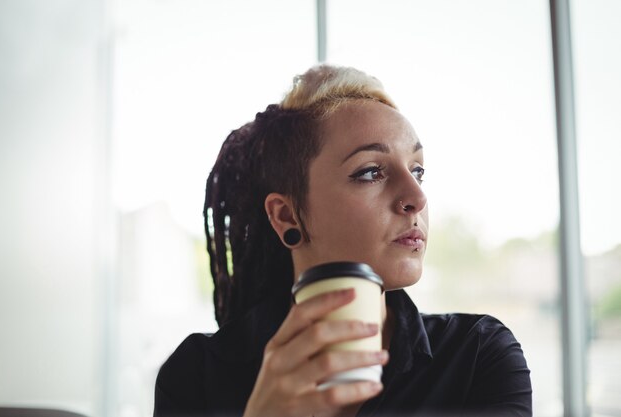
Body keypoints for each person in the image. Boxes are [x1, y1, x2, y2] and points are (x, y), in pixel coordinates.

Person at [153, 65, 532, 417]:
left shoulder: (479, 356)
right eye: (370, 172)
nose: (416, 196)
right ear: (286, 215)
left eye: (418, 170)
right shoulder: (195, 375)